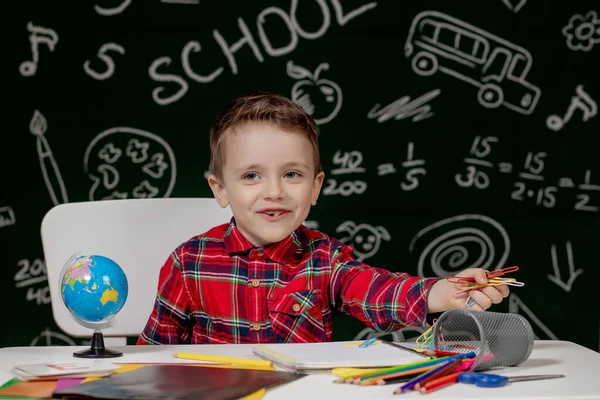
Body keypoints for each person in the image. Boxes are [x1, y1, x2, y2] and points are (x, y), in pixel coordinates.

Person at [137, 91, 509, 345]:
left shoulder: (325, 260)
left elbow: (376, 290)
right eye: (252, 175)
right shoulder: (189, 263)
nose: (275, 191)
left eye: (292, 174)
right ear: (220, 189)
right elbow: (153, 356)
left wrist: (442, 292)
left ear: (315, 188)